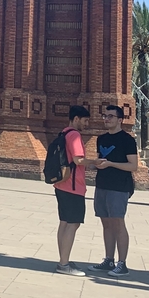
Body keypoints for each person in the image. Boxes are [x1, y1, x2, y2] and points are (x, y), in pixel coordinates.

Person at [89, 104, 139, 277]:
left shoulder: (127, 140)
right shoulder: (101, 139)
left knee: (118, 223)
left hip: (119, 187)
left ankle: (122, 263)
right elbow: (101, 159)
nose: (106, 119)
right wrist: (93, 164)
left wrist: (111, 164)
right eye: (105, 116)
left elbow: (133, 166)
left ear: (120, 120)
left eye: (110, 116)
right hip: (102, 184)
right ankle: (108, 260)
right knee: (106, 224)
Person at [53, 105, 91, 276]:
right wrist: (96, 162)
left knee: (64, 222)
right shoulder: (74, 135)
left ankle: (63, 258)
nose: (86, 124)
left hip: (61, 184)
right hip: (73, 186)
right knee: (73, 223)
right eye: (85, 120)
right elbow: (78, 160)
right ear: (76, 119)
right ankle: (64, 264)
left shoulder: (64, 133)